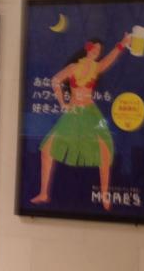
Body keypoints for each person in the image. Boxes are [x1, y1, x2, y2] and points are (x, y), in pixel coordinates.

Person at [31, 32, 131, 210]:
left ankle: (104, 195)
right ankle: (44, 193)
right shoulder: (73, 67)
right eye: (95, 49)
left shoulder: (96, 67)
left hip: (91, 113)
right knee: (47, 149)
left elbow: (110, 59)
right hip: (74, 113)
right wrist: (63, 103)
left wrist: (122, 43)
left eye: (99, 51)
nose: (97, 52)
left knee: (104, 150)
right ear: (88, 48)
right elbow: (55, 81)